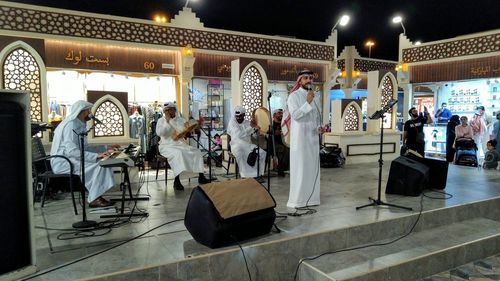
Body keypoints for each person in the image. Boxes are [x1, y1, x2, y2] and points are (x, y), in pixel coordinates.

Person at [50, 100, 119, 208]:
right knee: (99, 164)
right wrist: (96, 156)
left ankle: (95, 196)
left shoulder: (78, 124)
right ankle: (94, 198)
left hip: (71, 158)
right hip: (63, 161)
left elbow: (85, 146)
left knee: (102, 162)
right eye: (89, 111)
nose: (90, 114)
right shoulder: (70, 125)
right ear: (82, 111)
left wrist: (106, 148)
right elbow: (71, 151)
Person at [283, 69, 324, 208]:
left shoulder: (316, 97)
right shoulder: (293, 96)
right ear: (300, 80)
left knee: (312, 168)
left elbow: (317, 117)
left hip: (313, 138)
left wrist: (320, 127)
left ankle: (312, 199)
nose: (309, 80)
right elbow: (295, 115)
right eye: (306, 77)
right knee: (301, 168)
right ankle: (297, 201)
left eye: (311, 77)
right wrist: (307, 102)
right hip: (300, 138)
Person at [156, 102, 209, 190]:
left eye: (171, 109)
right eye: (167, 110)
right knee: (178, 154)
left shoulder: (180, 120)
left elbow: (184, 131)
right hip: (167, 145)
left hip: (181, 144)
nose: (169, 111)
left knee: (197, 152)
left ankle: (201, 176)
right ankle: (177, 181)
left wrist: (189, 131)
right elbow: (160, 133)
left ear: (174, 110)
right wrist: (168, 122)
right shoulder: (161, 121)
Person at [226, 106, 266, 178]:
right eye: (237, 116)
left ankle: (258, 174)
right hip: (236, 145)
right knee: (239, 152)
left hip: (248, 145)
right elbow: (238, 135)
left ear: (244, 115)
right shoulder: (232, 123)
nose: (238, 118)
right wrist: (251, 127)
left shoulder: (248, 123)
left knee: (262, 153)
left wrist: (257, 132)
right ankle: (244, 175)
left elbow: (254, 137)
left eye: (240, 116)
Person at [269, 108, 289, 177]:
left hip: (283, 143)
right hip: (273, 145)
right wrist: (273, 133)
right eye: (279, 113)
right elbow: (267, 135)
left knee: (288, 148)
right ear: (274, 115)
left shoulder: (283, 124)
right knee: (282, 148)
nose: (281, 115)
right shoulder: (271, 125)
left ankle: (285, 168)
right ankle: (280, 170)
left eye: (282, 113)